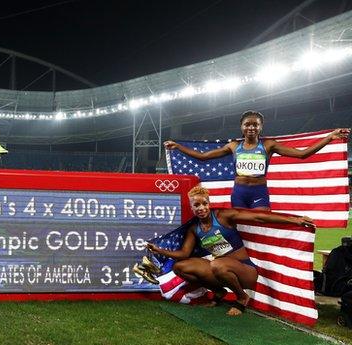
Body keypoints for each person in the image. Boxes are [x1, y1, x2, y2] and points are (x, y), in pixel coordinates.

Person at [145, 185, 315, 316]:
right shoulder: (194, 229)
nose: (201, 208)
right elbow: (183, 254)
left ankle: (241, 298)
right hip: (220, 269)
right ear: (192, 207)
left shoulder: (223, 216)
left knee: (217, 264)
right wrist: (159, 250)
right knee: (180, 267)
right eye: (196, 205)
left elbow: (259, 217)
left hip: (245, 270)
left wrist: (295, 220)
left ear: (209, 203)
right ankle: (219, 292)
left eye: (204, 203)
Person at [164, 110, 349, 210]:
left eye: (255, 124)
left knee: (261, 228)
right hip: (239, 192)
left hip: (259, 192)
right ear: (241, 127)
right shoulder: (234, 147)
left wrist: (330, 137)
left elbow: (303, 154)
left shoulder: (268, 145)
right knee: (242, 231)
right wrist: (178, 147)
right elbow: (203, 157)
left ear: (261, 127)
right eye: (247, 124)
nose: (251, 127)